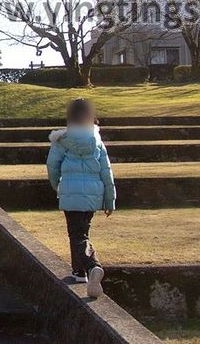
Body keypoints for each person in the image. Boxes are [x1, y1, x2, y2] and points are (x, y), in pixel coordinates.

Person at [46, 97, 115, 298]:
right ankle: (79, 272)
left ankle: (92, 266)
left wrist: (58, 185)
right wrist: (110, 200)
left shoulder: (62, 140)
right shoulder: (97, 142)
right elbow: (106, 172)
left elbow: (52, 167)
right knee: (81, 231)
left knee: (77, 234)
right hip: (93, 194)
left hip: (70, 192)